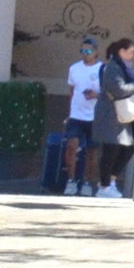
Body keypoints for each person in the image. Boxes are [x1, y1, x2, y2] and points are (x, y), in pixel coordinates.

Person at [46, 37, 98, 195]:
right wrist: (70, 113)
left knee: (92, 151)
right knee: (71, 146)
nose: (86, 54)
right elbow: (72, 92)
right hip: (76, 116)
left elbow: (107, 93)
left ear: (96, 52)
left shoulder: (102, 69)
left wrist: (96, 95)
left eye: (89, 51)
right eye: (83, 51)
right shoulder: (74, 68)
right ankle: (71, 181)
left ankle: (88, 183)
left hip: (94, 116)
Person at [91, 36, 134, 197]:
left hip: (120, 115)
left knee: (128, 148)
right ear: (122, 52)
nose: (133, 56)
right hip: (110, 114)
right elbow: (119, 89)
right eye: (131, 52)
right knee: (110, 150)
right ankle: (104, 187)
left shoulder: (123, 67)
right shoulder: (113, 67)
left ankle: (109, 181)